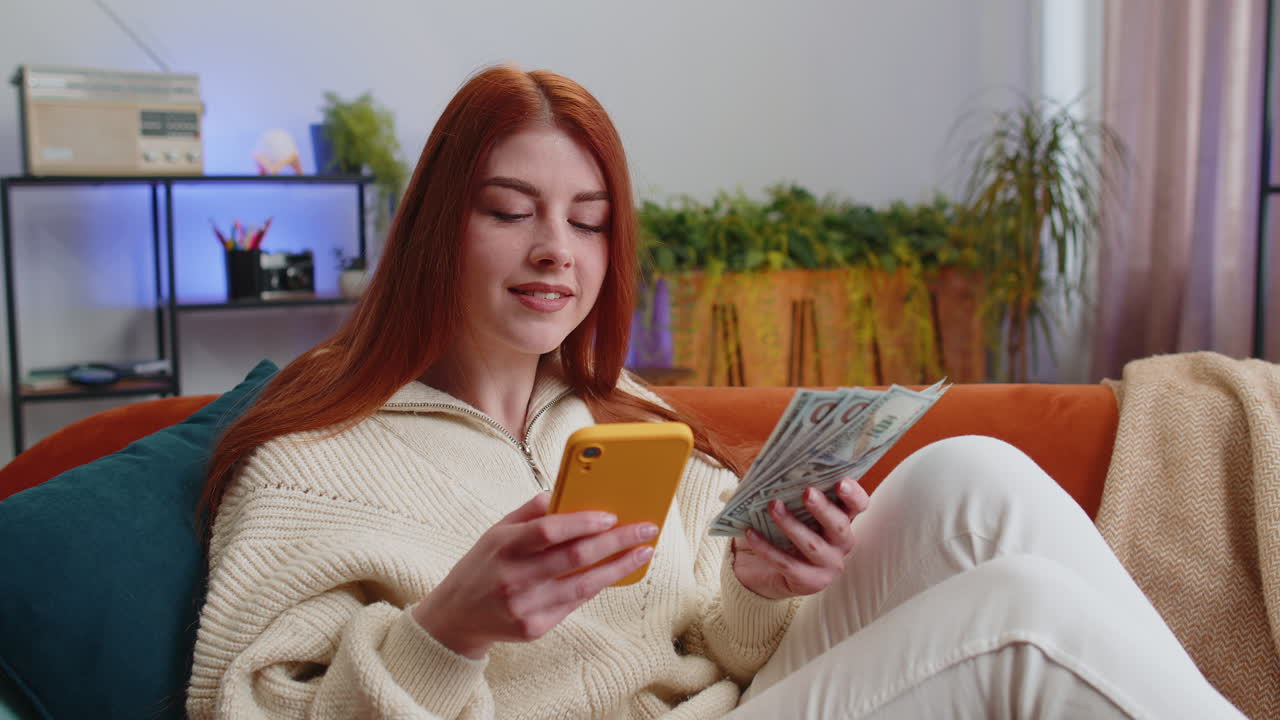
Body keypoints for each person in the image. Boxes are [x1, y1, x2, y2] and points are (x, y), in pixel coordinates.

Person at [187, 65, 1243, 719]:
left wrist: (764, 584)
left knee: (972, 475)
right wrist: (447, 630)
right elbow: (251, 707)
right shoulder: (311, 457)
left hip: (740, 706)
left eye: (589, 221)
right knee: (1021, 621)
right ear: (434, 231)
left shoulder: (627, 417)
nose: (557, 249)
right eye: (510, 210)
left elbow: (729, 645)